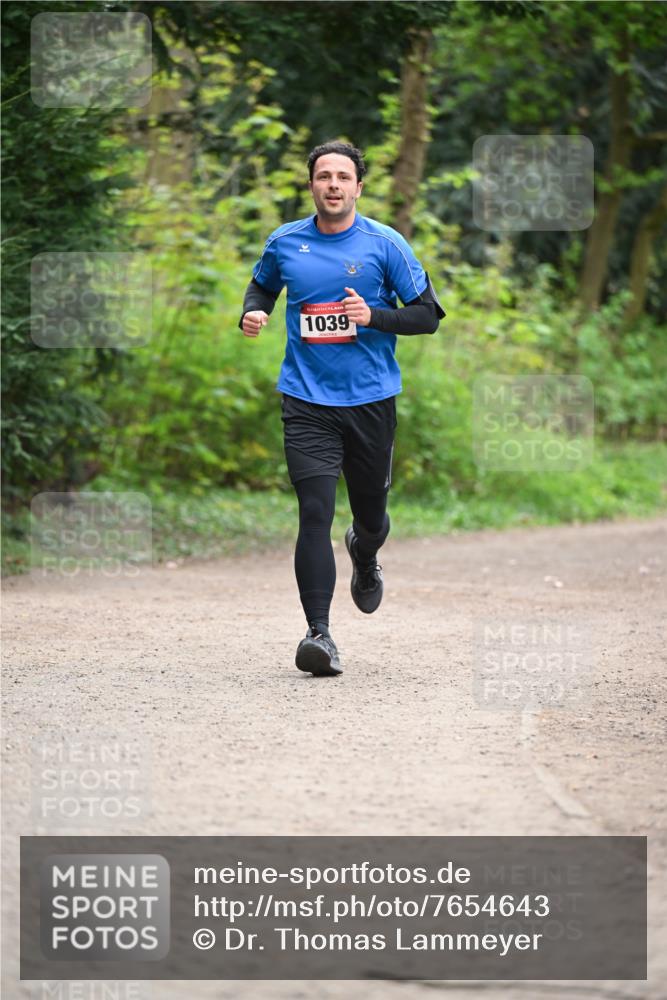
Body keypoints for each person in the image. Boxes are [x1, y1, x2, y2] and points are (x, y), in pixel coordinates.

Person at [239, 141, 445, 677]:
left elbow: (427, 316)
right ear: (311, 185)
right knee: (314, 511)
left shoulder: (385, 244)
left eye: (342, 177)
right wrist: (254, 313)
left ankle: (365, 549)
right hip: (306, 401)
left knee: (370, 516)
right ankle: (319, 635)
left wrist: (372, 316)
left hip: (371, 402)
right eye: (323, 176)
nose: (333, 184)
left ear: (358, 187)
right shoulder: (286, 242)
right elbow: (261, 286)